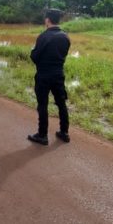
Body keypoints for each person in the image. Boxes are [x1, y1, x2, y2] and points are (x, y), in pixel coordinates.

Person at [27, 9, 71, 145]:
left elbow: (34, 57)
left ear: (47, 20)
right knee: (61, 103)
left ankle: (42, 135)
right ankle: (64, 133)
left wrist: (33, 52)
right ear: (59, 20)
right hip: (58, 74)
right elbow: (63, 54)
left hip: (44, 75)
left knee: (43, 105)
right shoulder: (65, 36)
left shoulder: (43, 37)